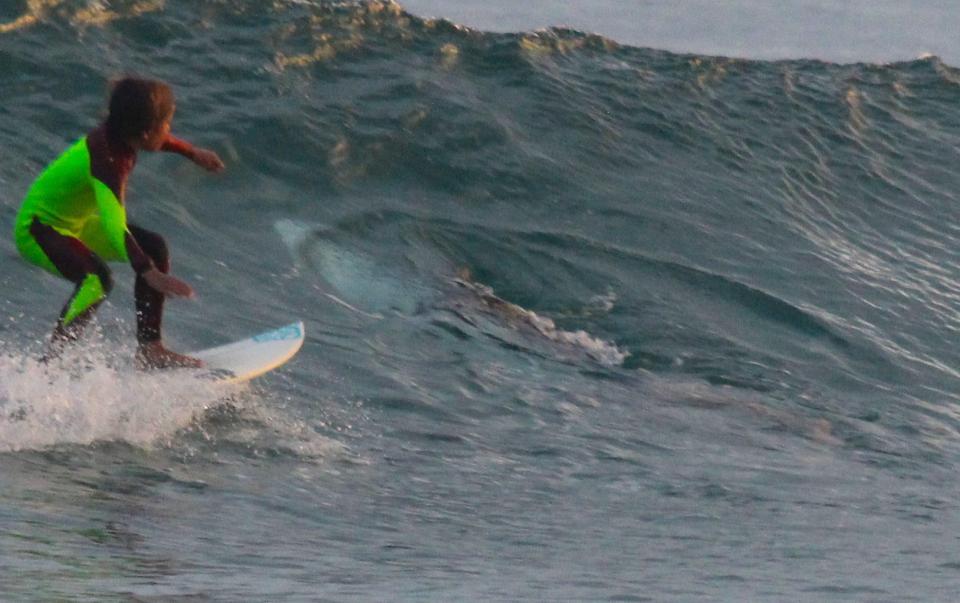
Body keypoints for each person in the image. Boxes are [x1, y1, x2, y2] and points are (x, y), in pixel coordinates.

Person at [13, 77, 225, 368]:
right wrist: (148, 272)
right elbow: (114, 223)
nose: (169, 131)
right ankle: (51, 364)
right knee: (97, 280)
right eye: (166, 124)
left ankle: (150, 350)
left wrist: (191, 153)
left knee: (153, 246)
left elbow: (154, 139)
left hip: (75, 223)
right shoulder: (108, 161)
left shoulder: (119, 134)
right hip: (38, 229)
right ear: (145, 131)